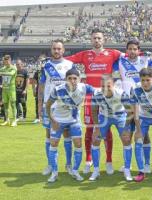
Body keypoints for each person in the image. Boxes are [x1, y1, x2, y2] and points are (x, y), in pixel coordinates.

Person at [66, 28, 121, 175]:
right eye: (94, 38)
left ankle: (109, 161)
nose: (97, 40)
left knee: (106, 129)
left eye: (99, 38)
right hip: (90, 97)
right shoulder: (85, 55)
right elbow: (67, 60)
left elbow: (129, 56)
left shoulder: (112, 53)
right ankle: (88, 160)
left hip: (107, 96)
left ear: (104, 40)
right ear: (91, 40)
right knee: (90, 128)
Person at [113, 39, 152, 173]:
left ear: (139, 50)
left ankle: (147, 164)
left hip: (143, 103)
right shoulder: (120, 61)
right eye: (130, 49)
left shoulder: (145, 60)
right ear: (126, 51)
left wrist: (151, 54)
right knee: (128, 134)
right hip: (126, 104)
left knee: (144, 136)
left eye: (135, 49)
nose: (132, 51)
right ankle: (128, 164)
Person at [46, 68, 94, 182]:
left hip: (74, 120)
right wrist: (53, 121)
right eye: (69, 78)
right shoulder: (58, 90)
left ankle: (75, 171)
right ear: (65, 79)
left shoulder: (85, 87)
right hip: (59, 119)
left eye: (75, 78)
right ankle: (54, 172)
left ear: (79, 79)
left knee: (78, 144)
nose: (72, 81)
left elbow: (100, 92)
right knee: (53, 144)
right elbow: (48, 105)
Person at [38, 39, 75, 176]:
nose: (56, 51)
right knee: (49, 136)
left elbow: (75, 86)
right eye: (54, 49)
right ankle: (51, 164)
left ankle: (69, 164)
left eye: (59, 49)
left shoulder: (70, 65)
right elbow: (41, 87)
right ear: (51, 50)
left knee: (67, 135)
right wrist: (40, 106)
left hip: (65, 107)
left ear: (63, 50)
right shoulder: (45, 66)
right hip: (50, 106)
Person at [89, 75, 133, 181]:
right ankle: (96, 170)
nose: (105, 89)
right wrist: (97, 127)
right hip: (104, 117)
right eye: (103, 86)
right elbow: (94, 111)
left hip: (120, 116)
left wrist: (126, 128)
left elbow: (130, 111)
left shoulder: (121, 93)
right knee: (95, 140)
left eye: (108, 86)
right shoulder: (97, 94)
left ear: (113, 85)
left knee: (126, 140)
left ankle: (127, 170)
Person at [0, 55, 17, 127]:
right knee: (5, 105)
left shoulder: (13, 68)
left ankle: (14, 120)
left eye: (7, 61)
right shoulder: (3, 68)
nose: (6, 62)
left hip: (11, 89)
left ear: (10, 60)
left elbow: (11, 74)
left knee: (13, 104)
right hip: (4, 89)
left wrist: (2, 73)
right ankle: (7, 120)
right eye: (5, 61)